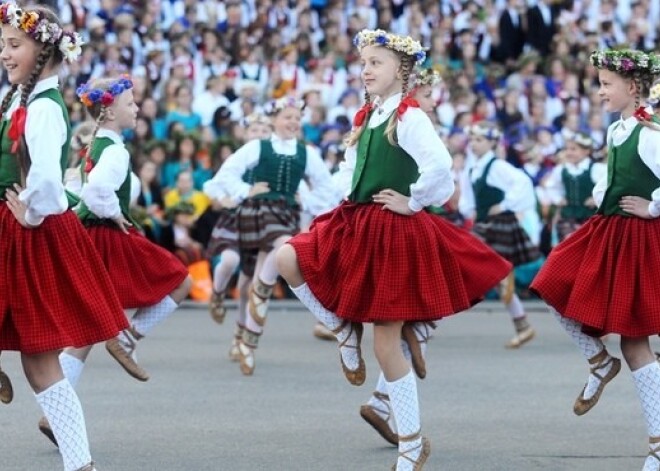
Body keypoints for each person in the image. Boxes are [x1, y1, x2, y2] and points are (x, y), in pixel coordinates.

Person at [276, 29, 512, 470]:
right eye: (363, 62)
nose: (365, 70)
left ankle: (411, 442)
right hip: (359, 219)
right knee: (287, 257)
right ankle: (342, 329)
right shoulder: (367, 114)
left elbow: (441, 168)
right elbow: (349, 171)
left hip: (392, 230)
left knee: (385, 344)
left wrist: (414, 200)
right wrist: (330, 207)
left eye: (375, 63)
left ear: (401, 71)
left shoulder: (409, 116)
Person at [0, 4, 127, 470]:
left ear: (44, 50)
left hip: (27, 231)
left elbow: (50, 181)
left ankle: (80, 463)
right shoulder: (22, 98)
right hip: (18, 226)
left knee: (41, 365)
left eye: (15, 45)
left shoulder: (43, 107)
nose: (5, 53)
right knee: (40, 366)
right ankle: (79, 463)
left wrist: (30, 213)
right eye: (3, 45)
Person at [530, 49, 660, 471]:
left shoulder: (650, 133)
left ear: (633, 86)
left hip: (640, 237)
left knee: (635, 337)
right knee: (553, 283)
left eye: (606, 84)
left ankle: (658, 444)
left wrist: (654, 206)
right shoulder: (618, 130)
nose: (600, 91)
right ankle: (599, 360)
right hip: (611, 231)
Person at [212, 96, 337, 376]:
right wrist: (247, 191)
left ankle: (248, 343)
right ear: (274, 121)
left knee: (267, 265)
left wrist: (305, 201)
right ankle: (259, 293)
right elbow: (226, 174)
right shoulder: (259, 146)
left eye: (296, 118)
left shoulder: (307, 153)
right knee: (277, 251)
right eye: (287, 117)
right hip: (256, 213)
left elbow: (327, 188)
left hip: (286, 213)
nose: (292, 122)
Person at [460, 121, 540, 348]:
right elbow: (467, 198)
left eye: (480, 140)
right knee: (491, 274)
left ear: (492, 143)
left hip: (499, 224)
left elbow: (522, 182)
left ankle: (426, 322)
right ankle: (522, 324)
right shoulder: (471, 168)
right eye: (473, 140)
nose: (474, 144)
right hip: (484, 223)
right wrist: (471, 210)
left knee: (482, 267)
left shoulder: (497, 166)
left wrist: (505, 204)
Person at [203, 112, 271, 360]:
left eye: (265, 131)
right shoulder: (238, 159)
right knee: (229, 261)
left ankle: (240, 336)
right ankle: (218, 293)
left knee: (248, 287)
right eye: (254, 130)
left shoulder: (272, 160)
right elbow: (212, 185)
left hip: (261, 223)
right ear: (244, 134)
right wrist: (223, 199)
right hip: (234, 219)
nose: (259, 135)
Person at [543, 131, 606, 242]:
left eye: (573, 149)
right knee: (568, 242)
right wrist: (558, 199)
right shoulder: (562, 169)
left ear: (586, 151)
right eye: (567, 149)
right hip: (568, 215)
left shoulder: (596, 169)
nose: (569, 152)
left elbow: (609, 186)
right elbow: (551, 186)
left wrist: (596, 198)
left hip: (590, 216)